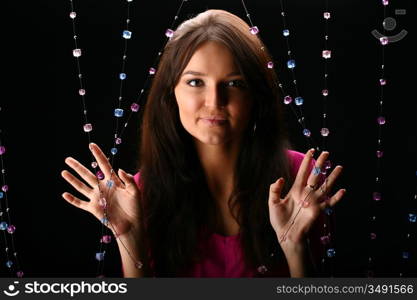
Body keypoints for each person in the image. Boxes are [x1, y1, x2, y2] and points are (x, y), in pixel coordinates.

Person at [61, 9, 345, 278]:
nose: (214, 102)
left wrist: (296, 247)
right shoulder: (137, 194)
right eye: (196, 82)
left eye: (234, 83)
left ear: (256, 96)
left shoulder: (301, 180)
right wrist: (130, 239)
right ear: (170, 94)